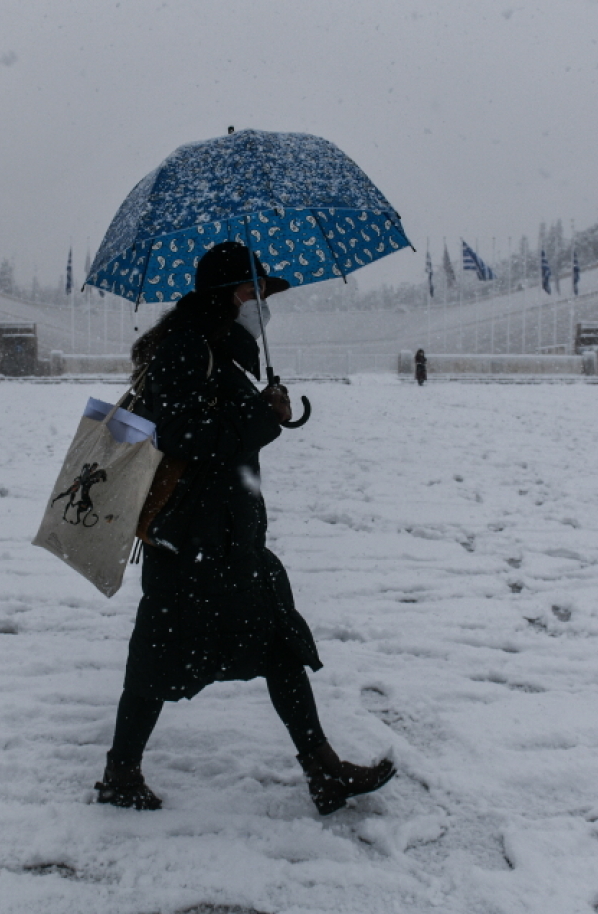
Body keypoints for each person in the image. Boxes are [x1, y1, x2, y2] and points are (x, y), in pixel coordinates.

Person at [96, 241, 395, 816]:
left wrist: (262, 408)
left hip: (228, 539)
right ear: (227, 295)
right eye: (255, 292)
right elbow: (182, 435)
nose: (263, 303)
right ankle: (121, 771)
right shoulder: (186, 348)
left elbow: (215, 425)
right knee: (156, 658)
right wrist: (263, 416)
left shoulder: (217, 348)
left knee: (275, 642)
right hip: (193, 544)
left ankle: (323, 771)